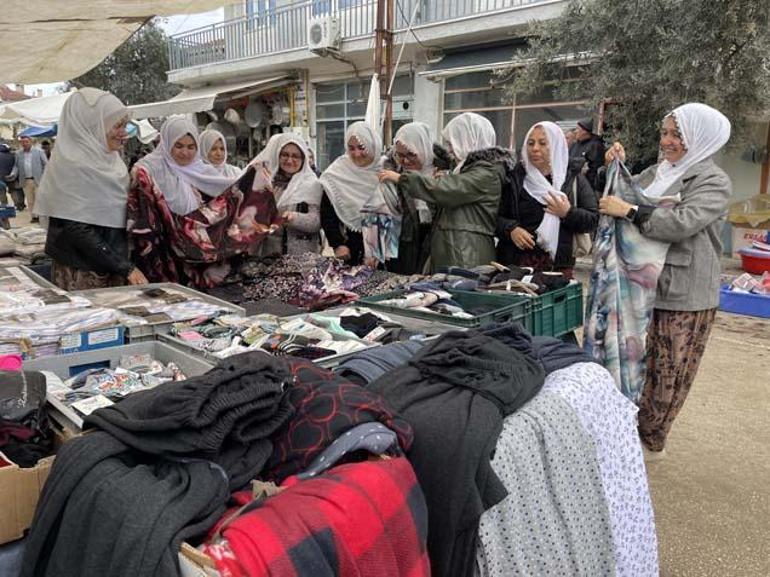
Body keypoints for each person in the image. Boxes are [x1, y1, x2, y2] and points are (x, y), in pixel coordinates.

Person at [599, 102, 732, 460]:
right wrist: (614, 166)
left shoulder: (712, 181)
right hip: (643, 285)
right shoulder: (657, 172)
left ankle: (652, 439)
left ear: (701, 139)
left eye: (678, 135)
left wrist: (631, 211)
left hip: (683, 290)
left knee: (669, 368)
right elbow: (622, 193)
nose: (667, 141)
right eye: (665, 133)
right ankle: (631, 429)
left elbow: (682, 222)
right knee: (638, 360)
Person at [128, 116, 279, 287]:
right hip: (165, 257)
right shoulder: (151, 170)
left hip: (199, 261)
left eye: (191, 147)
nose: (185, 152)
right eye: (178, 146)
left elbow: (229, 196)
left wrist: (257, 179)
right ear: (166, 144)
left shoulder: (204, 172)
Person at [33, 88, 148, 290]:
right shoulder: (71, 166)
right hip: (83, 271)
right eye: (117, 126)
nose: (124, 133)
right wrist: (125, 268)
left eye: (125, 125)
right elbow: (76, 228)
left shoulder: (111, 161)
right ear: (92, 126)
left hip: (113, 266)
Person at [379, 112, 508, 271]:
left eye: (453, 142)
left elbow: (447, 189)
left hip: (467, 255)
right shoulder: (464, 170)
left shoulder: (485, 174)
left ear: (469, 140)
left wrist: (402, 179)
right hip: (455, 252)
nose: (449, 149)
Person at [497, 121, 598, 278]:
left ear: (556, 145)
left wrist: (567, 213)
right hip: (516, 268)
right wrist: (511, 229)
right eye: (531, 143)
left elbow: (593, 220)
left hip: (557, 269)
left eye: (543, 143)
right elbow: (495, 217)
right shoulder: (514, 178)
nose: (535, 148)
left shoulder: (572, 178)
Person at [363, 122, 439, 274]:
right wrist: (373, 251)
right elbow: (375, 212)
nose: (405, 161)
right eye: (400, 155)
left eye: (411, 154)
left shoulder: (443, 174)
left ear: (423, 149)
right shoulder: (390, 175)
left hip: (435, 244)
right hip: (402, 246)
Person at [320, 122, 382, 266]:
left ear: (373, 145)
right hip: (350, 249)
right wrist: (337, 243)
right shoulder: (338, 171)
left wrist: (379, 251)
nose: (356, 154)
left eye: (362, 147)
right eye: (351, 148)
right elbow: (327, 212)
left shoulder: (386, 169)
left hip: (385, 249)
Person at [253, 132, 322, 255]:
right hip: (270, 256)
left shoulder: (311, 185)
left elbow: (316, 222)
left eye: (295, 156)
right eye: (285, 155)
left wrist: (294, 217)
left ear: (303, 159)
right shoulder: (268, 185)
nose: (289, 161)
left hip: (301, 258)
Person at [9, 135, 47, 222]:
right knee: (30, 200)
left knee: (39, 199)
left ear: (31, 142)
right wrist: (13, 174)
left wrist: (44, 176)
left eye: (26, 142)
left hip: (38, 180)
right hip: (25, 181)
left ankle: (41, 217)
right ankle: (34, 217)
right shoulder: (18, 153)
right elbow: (16, 166)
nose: (25, 144)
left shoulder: (39, 152)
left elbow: (45, 164)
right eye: (22, 142)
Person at [569, 117, 605, 192]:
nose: (575, 131)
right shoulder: (575, 145)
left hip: (588, 187)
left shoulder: (595, 145)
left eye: (577, 129)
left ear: (584, 131)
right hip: (572, 184)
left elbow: (594, 168)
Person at [0, 143, 15, 207]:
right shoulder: (12, 155)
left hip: (1, 177)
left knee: (1, 191)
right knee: (13, 191)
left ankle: (4, 204)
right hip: (12, 177)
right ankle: (18, 205)